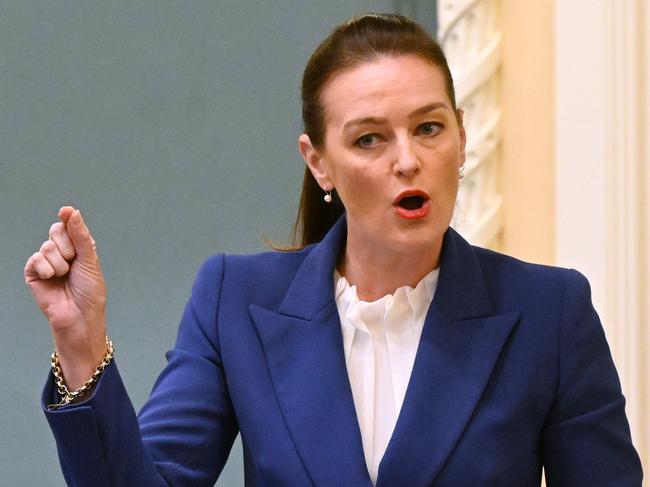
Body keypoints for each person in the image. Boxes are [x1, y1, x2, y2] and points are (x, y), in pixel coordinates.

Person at [25, 13, 642, 487]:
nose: (408, 159)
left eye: (429, 128)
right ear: (319, 162)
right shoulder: (234, 301)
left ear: (460, 137)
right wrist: (80, 347)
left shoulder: (550, 311)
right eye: (370, 139)